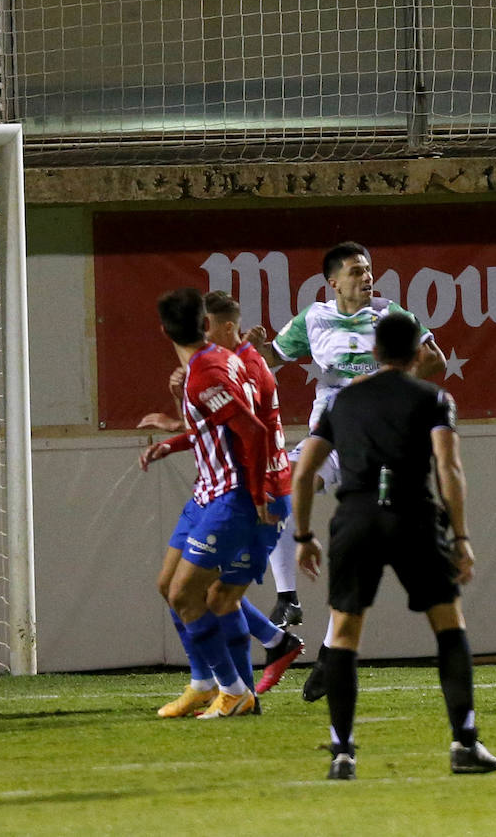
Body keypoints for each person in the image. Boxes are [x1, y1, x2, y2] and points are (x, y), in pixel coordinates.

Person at [290, 311, 496, 779]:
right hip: (412, 514)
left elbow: (303, 472)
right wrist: (462, 537)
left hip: (357, 516)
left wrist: (303, 535)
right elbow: (449, 468)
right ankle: (464, 743)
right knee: (448, 626)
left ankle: (343, 753)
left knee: (344, 634)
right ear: (416, 353)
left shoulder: (341, 403)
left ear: (375, 351)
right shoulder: (434, 397)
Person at [247, 241, 444, 699]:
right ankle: (287, 598)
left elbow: (434, 360)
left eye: (369, 269)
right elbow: (271, 362)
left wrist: (380, 380)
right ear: (332, 281)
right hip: (330, 433)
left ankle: (331, 650)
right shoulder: (312, 319)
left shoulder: (391, 316)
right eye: (356, 271)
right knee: (279, 495)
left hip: (374, 445)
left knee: (362, 554)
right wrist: (254, 352)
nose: (366, 277)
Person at [139, 292, 306, 700]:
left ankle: (236, 690)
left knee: (215, 596)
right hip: (214, 488)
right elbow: (217, 424)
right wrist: (177, 433)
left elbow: (250, 431)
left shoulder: (235, 365)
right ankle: (222, 676)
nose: (208, 332)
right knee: (182, 589)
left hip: (246, 489)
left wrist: (262, 493)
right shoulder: (219, 362)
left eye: (212, 324)